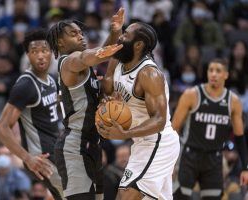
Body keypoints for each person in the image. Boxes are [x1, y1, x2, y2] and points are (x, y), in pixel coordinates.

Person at [46, 7, 125, 200]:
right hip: (74, 147)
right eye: (73, 34)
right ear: (60, 42)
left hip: (92, 145)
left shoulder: (85, 69)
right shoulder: (68, 62)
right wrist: (110, 50)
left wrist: (115, 32)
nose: (81, 37)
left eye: (81, 33)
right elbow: (86, 56)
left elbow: (93, 57)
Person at [96, 22, 180, 200]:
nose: (120, 38)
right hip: (141, 143)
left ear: (138, 44)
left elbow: (159, 119)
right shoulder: (119, 60)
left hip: (159, 143)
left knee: (125, 196)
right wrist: (107, 100)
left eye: (125, 34)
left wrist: (125, 132)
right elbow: (108, 82)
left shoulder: (149, 74)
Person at [0, 29, 63, 200]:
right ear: (27, 55)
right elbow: (2, 128)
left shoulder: (51, 79)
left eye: (44, 50)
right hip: (41, 158)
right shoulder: (25, 85)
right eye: (34, 52)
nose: (40, 56)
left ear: (52, 53)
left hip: (57, 150)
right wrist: (27, 158)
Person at [172, 58, 248, 200]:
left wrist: (245, 168)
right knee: (179, 197)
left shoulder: (234, 102)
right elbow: (173, 129)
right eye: (210, 70)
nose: (213, 74)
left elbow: (239, 137)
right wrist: (169, 161)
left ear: (226, 75)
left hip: (214, 158)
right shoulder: (191, 95)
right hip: (189, 156)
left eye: (218, 71)